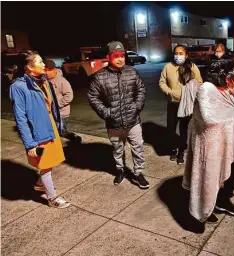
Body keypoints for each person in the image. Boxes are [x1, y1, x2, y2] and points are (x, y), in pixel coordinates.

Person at [183, 61, 234, 224]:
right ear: (228, 78)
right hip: (209, 144)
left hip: (227, 141)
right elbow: (209, 118)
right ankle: (204, 208)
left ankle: (221, 200)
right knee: (208, 177)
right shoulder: (207, 89)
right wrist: (233, 119)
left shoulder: (229, 91)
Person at [9, 50, 70, 208]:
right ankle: (52, 198)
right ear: (28, 67)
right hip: (38, 133)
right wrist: (29, 143)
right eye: (40, 62)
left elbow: (51, 106)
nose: (44, 65)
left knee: (49, 162)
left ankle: (40, 184)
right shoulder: (18, 87)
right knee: (45, 165)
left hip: (49, 128)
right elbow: (20, 118)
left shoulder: (43, 81)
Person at [87, 41, 149, 189]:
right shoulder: (99, 76)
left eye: (122, 56)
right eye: (116, 56)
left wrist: (136, 106)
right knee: (118, 149)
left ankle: (138, 173)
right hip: (113, 123)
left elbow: (141, 89)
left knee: (138, 147)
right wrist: (106, 113)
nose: (120, 59)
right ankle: (120, 170)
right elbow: (92, 97)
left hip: (133, 120)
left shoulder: (131, 72)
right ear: (108, 57)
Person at [159, 44, 203, 164]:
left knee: (184, 130)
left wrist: (191, 92)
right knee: (171, 128)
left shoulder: (192, 67)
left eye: (181, 53)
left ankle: (182, 152)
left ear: (186, 55)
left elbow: (199, 82)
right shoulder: (168, 67)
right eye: (176, 53)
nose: (178, 56)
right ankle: (173, 149)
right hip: (173, 103)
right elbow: (162, 82)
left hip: (187, 105)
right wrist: (169, 92)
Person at [44, 59, 82, 143]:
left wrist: (57, 105)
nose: (47, 73)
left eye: (49, 70)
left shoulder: (62, 81)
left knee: (62, 131)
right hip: (51, 112)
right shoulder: (45, 81)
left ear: (55, 69)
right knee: (54, 130)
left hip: (61, 113)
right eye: (45, 70)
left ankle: (75, 138)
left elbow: (69, 96)